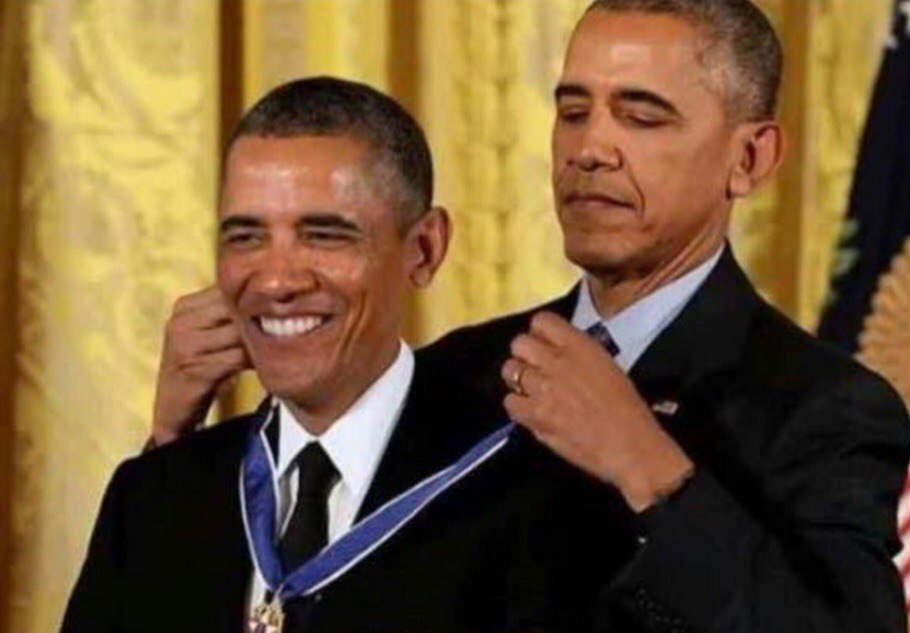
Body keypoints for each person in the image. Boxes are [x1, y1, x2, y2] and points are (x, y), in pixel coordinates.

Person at [130, 1, 910, 632]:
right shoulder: (461, 367)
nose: (590, 149)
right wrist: (172, 447)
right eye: (573, 111)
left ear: (750, 158)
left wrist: (651, 470)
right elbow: (310, 589)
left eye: (641, 116)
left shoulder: (827, 408)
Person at [64, 77, 638, 633]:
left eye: (323, 235)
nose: (276, 281)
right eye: (246, 237)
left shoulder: (535, 493)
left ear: (423, 250)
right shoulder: (155, 495)